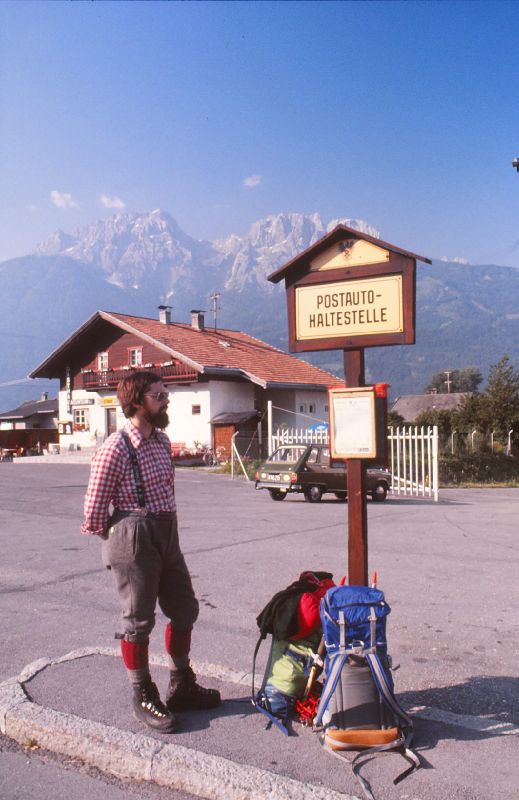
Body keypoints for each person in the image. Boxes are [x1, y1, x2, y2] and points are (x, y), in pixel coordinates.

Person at [81, 371, 220, 733]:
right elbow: (94, 508)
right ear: (137, 402)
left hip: (166, 530)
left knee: (185, 608)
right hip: (134, 533)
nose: (166, 399)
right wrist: (120, 545)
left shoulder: (160, 441)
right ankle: (142, 692)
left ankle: (181, 683)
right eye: (158, 395)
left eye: (165, 393)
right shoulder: (115, 446)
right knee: (138, 619)